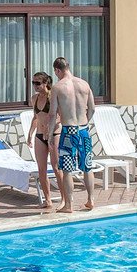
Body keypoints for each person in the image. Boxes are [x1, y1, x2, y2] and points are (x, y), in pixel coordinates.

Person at [47, 56, 95, 213]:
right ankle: (91, 200)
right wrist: (84, 123)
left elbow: (52, 114)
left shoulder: (58, 87)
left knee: (67, 170)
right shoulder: (84, 84)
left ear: (57, 70)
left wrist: (49, 134)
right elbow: (92, 109)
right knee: (87, 166)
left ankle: (68, 205)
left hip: (69, 131)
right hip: (83, 130)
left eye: (56, 73)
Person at [27, 72, 59, 210]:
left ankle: (65, 199)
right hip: (39, 135)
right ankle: (48, 200)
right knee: (41, 169)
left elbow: (61, 117)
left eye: (38, 83)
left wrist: (50, 130)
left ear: (45, 83)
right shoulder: (34, 98)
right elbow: (36, 117)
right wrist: (30, 134)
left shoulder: (53, 96)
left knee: (56, 168)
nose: (35, 86)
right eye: (33, 83)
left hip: (54, 134)